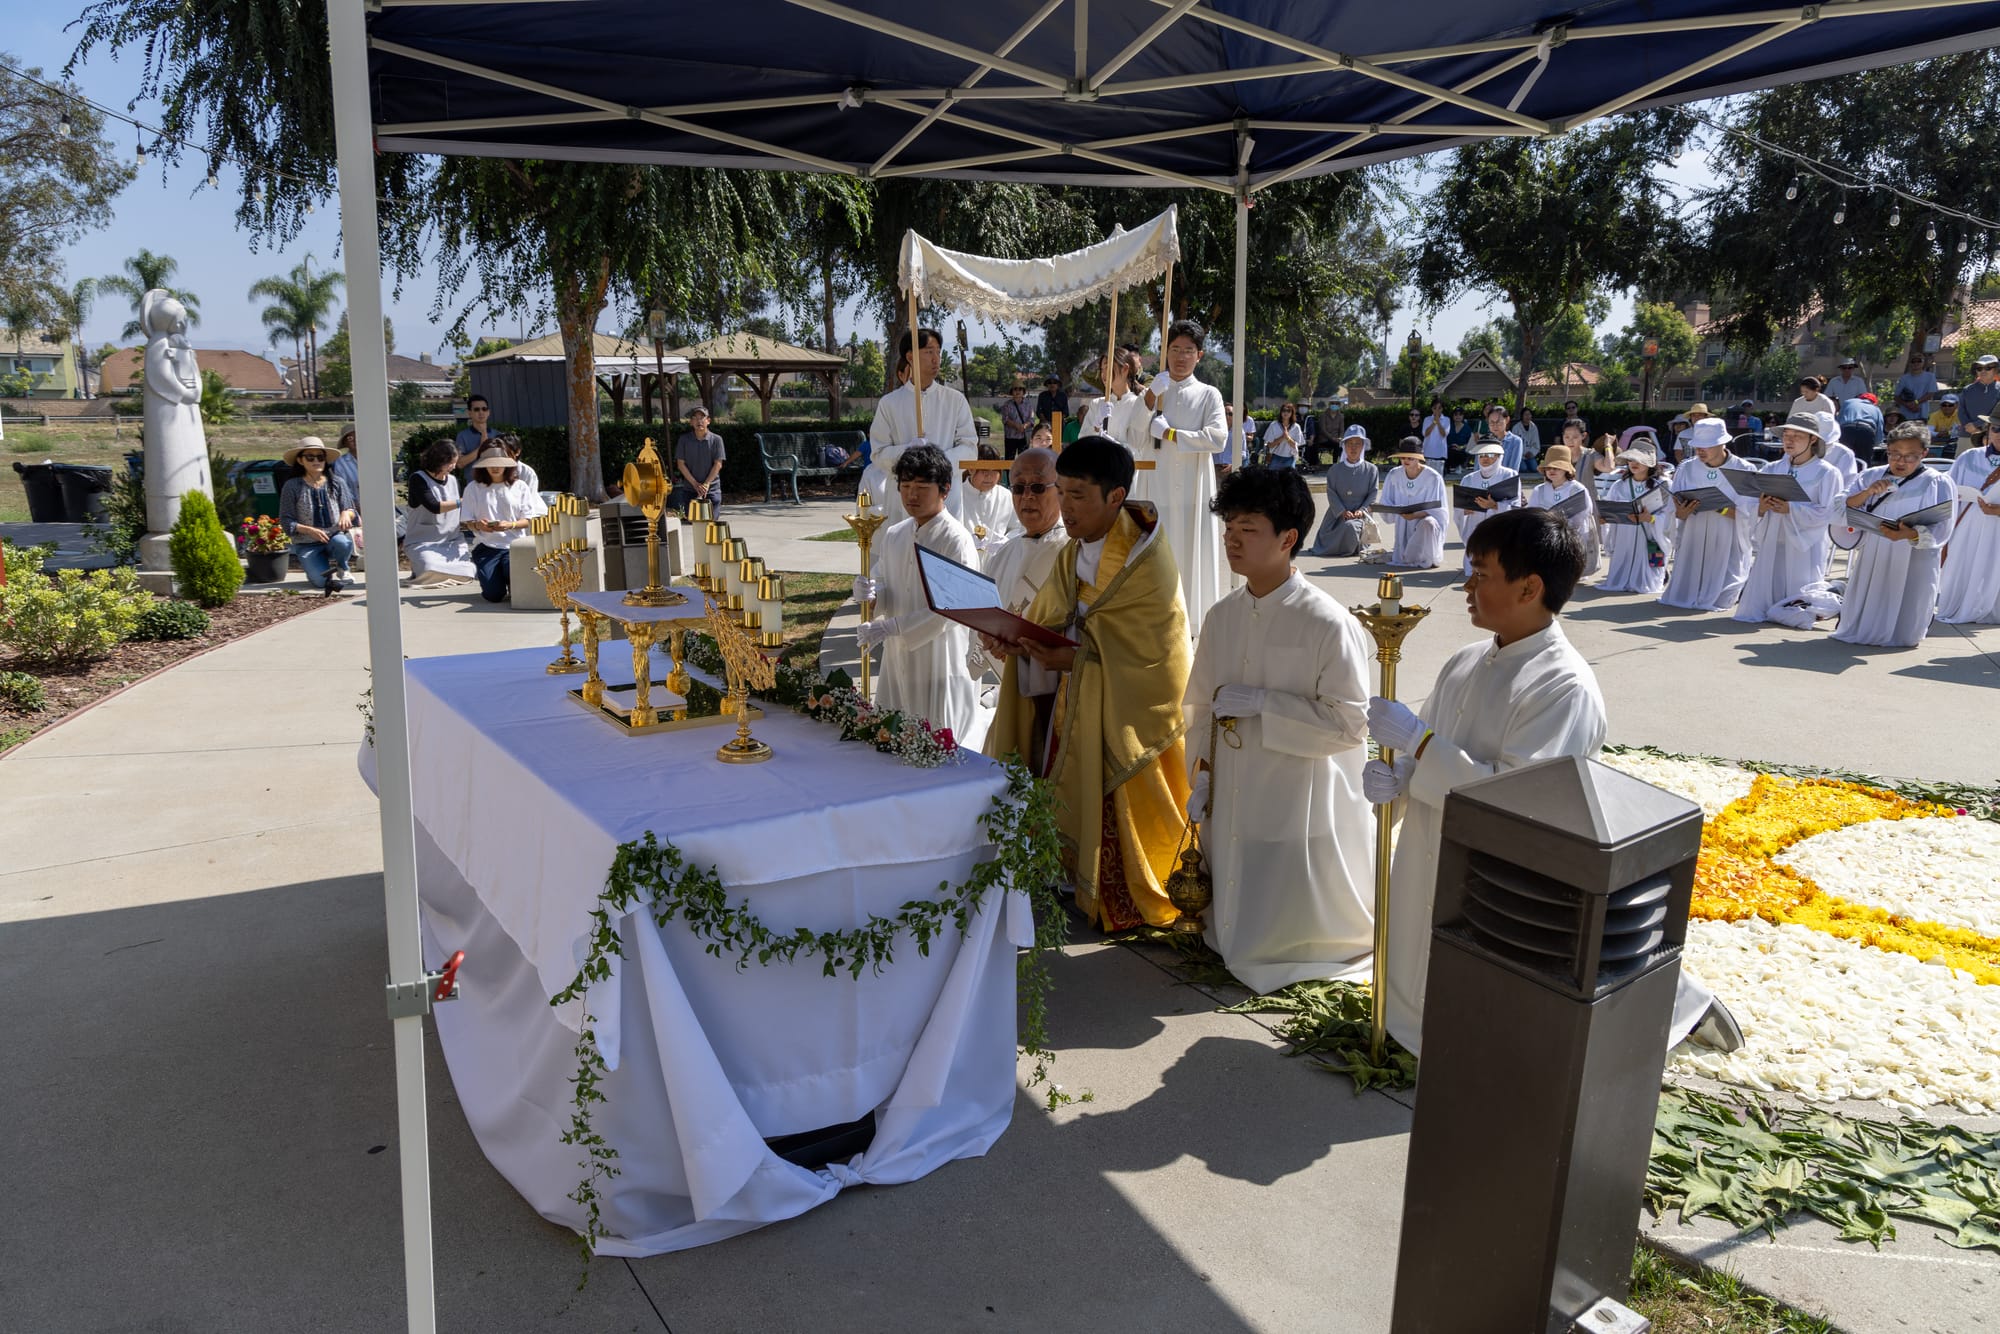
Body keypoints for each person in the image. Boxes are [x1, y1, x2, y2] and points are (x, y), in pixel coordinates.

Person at [1360, 507, 1734, 1056]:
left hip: (1502, 872)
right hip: (1431, 848)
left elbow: (1516, 801)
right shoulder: (1465, 661)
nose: (1467, 584)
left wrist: (1419, 745)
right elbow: (1432, 759)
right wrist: (1397, 781)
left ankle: (1678, 1001)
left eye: (1482, 573)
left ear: (1529, 586)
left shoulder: (1563, 685)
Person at [983, 436, 1193, 932]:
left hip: (1128, 710)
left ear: (1115, 497)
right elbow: (1052, 617)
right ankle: (1072, 876)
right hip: (1075, 699)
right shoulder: (1071, 553)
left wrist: (1074, 660)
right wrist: (1018, 642)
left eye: (1077, 495)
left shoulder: (1147, 561)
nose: (1066, 506)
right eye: (1064, 491)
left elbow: (1153, 655)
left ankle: (1120, 895)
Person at [1185, 466, 1374, 992]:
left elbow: (1351, 725)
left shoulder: (1327, 622)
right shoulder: (1223, 616)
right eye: (1229, 529)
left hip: (1297, 788)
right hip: (1234, 783)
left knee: (1288, 901)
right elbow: (1200, 706)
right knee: (1235, 893)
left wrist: (1267, 704)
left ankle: (1298, 945)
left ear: (1288, 539)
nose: (1232, 541)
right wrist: (1200, 775)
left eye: (1248, 530)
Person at [853, 444, 982, 742]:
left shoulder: (956, 540)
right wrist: (872, 594)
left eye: (922, 486)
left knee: (936, 739)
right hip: (897, 654)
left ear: (944, 489)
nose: (912, 495)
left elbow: (951, 609)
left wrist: (891, 626)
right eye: (906, 486)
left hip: (939, 658)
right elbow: (886, 581)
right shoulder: (895, 534)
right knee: (894, 735)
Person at [973, 445, 1070, 755]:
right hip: (1011, 694)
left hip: (1062, 701)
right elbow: (987, 617)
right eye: (1018, 487)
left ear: (1061, 490)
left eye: (1039, 487)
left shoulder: (1074, 552)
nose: (1027, 496)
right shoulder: (1002, 555)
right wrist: (989, 639)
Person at [1141, 318, 1231, 635]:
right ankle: (1155, 621)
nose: (1181, 356)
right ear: (1165, 352)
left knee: (1193, 555)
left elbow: (1217, 437)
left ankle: (1194, 625)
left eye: (1188, 350)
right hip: (1158, 486)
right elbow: (1134, 434)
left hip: (1194, 486)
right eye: (1175, 349)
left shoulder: (1209, 395)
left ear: (1199, 355)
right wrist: (1149, 399)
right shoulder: (1153, 393)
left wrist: (1172, 434)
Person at [1831, 424, 1954, 648]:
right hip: (1875, 547)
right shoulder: (1871, 475)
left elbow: (1943, 525)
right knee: (1873, 590)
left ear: (1924, 453)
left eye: (1910, 456)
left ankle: (1902, 633)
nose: (1901, 462)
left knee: (1907, 596)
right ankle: (1864, 627)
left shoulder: (1936, 481)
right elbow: (1842, 505)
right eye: (1894, 454)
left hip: (1913, 553)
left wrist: (1911, 534)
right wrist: (1868, 492)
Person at [1732, 415, 1845, 628]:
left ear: (1813, 439)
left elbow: (1828, 511)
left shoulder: (1827, 472)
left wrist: (1791, 508)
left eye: (1797, 436)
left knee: (1801, 579)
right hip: (1773, 532)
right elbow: (1749, 501)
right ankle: (1768, 608)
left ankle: (1798, 610)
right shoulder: (1772, 468)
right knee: (1768, 573)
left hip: (1804, 540)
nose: (1789, 440)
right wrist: (1762, 507)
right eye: (1786, 435)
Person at [863, 327, 978, 525]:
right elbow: (879, 453)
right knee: (905, 549)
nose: (936, 358)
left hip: (945, 498)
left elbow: (969, 448)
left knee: (943, 549)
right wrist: (907, 451)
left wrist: (937, 461)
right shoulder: (890, 403)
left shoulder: (954, 400)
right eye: (929, 351)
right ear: (910, 356)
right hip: (904, 500)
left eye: (938, 352)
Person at [1661, 418, 1760, 612]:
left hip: (1727, 536)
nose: (1700, 450)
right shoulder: (1686, 468)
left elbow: (1751, 513)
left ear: (1722, 443)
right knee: (1683, 592)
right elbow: (1674, 509)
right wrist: (1681, 512)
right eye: (1697, 446)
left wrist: (1719, 507)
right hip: (1694, 532)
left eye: (1706, 446)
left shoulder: (1744, 469)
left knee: (1721, 594)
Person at [461, 445, 546, 603]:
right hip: (486, 546)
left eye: (498, 463)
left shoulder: (520, 486)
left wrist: (511, 525)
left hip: (514, 546)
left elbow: (529, 519)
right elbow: (466, 521)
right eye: (490, 463)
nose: (494, 467)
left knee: (518, 589)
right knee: (493, 595)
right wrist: (478, 525)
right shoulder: (473, 488)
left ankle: (512, 580)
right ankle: (495, 579)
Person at [1938, 415, 2000, 624]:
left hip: (1997, 526)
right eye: (1996, 429)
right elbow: (1947, 489)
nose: (1999, 435)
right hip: (1967, 524)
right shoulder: (1969, 457)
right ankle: (1961, 604)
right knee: (1963, 565)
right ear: (1989, 430)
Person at [278, 436, 358, 596]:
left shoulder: (336, 482)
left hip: (334, 537)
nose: (316, 461)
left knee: (343, 542)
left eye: (320, 457)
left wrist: (345, 513)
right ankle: (324, 569)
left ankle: (343, 567)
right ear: (300, 461)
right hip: (307, 544)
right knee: (321, 582)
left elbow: (351, 509)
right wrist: (309, 530)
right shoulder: (292, 486)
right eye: (310, 457)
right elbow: (286, 521)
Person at [1598, 441, 1673, 595]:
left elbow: (1671, 515)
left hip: (1651, 535)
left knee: (1651, 568)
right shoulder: (1619, 485)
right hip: (1625, 534)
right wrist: (1606, 518)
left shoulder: (1664, 484)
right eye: (1631, 459)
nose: (1634, 463)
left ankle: (1659, 575)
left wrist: (1651, 519)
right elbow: (1611, 507)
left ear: (1650, 463)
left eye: (1639, 460)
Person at [404, 438, 474, 586]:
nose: (453, 466)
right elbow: (434, 506)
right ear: (438, 460)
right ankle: (420, 568)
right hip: (422, 541)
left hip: (451, 541)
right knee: (429, 567)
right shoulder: (418, 478)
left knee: (469, 571)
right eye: (450, 463)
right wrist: (462, 501)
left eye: (454, 462)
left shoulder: (453, 480)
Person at [1525, 444, 1600, 582]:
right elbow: (1532, 512)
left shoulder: (1578, 489)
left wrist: (1563, 524)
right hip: (1546, 534)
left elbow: (1584, 513)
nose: (1551, 470)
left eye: (1556, 467)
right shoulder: (1539, 490)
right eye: (1548, 468)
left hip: (1572, 534)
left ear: (1566, 469)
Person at [1306, 426, 1380, 558]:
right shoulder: (1334, 470)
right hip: (1336, 515)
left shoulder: (1371, 470)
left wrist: (1362, 510)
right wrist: (1342, 512)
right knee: (1333, 534)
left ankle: (1351, 547)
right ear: (1344, 446)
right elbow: (1331, 493)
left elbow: (1373, 494)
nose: (1353, 447)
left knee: (1351, 527)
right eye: (1350, 443)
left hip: (1360, 516)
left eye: (1357, 443)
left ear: (1363, 446)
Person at [1078, 347, 1151, 476]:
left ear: (1125, 369)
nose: (1103, 374)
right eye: (1102, 369)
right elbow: (1083, 443)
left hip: (1131, 476)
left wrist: (1117, 447)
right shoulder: (1097, 404)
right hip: (1101, 475)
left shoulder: (1139, 404)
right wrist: (1095, 426)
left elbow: (1142, 445)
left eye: (1108, 367)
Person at [1453, 440, 1519, 571]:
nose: (1485, 459)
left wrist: (1495, 506)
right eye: (1481, 455)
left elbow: (1515, 507)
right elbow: (1458, 508)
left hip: (1498, 527)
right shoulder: (1469, 478)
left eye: (1489, 455)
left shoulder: (1509, 475)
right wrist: (1464, 510)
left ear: (1498, 456)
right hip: (1475, 524)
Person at [1380, 442, 1446, 569]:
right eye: (1403, 457)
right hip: (1402, 519)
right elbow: (1387, 499)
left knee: (1429, 523)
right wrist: (1383, 508)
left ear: (1418, 458)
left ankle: (1424, 556)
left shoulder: (1433, 477)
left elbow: (1438, 510)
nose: (1406, 461)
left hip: (1423, 519)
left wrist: (1415, 515)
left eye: (1410, 458)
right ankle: (1403, 554)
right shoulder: (1394, 474)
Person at [949, 447, 1019, 563]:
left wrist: (1006, 541)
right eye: (984, 471)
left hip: (996, 561)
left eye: (994, 471)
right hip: (963, 559)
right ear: (971, 469)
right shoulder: (956, 494)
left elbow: (1018, 528)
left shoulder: (1005, 496)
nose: (989, 476)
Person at [672, 407, 725, 512]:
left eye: (702, 418)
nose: (699, 421)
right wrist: (695, 484)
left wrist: (705, 484)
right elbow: (680, 464)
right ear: (691, 422)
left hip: (712, 490)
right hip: (690, 490)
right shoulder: (684, 440)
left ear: (708, 421)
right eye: (695, 418)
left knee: (711, 524)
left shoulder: (717, 440)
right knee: (695, 524)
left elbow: (718, 464)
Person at [1957, 354, 2000, 452]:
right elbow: (1961, 411)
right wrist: (1968, 426)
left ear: (1996, 370)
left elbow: (1997, 414)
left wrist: (1976, 425)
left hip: (1992, 436)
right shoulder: (1967, 390)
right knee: (1963, 464)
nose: (1983, 371)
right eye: (1979, 368)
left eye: (1988, 368)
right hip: (1967, 435)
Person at [453, 394, 496, 469]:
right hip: (473, 480)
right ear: (469, 413)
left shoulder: (497, 434)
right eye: (476, 409)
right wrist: (481, 447)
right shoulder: (462, 436)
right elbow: (459, 464)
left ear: (488, 412)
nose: (481, 412)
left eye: (484, 409)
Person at [1479, 402, 1524, 472]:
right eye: (1491, 422)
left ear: (1507, 420)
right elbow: (1477, 468)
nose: (1495, 425)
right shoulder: (1483, 441)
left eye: (1498, 422)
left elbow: (1513, 470)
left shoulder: (1516, 441)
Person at [1263, 402, 1304, 470]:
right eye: (1284, 410)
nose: (1286, 413)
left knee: (1289, 480)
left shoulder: (1296, 427)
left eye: (1288, 411)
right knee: (1272, 479)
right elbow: (1270, 445)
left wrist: (1288, 438)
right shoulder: (1273, 425)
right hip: (1275, 457)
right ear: (1281, 412)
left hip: (1290, 459)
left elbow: (1296, 445)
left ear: (1292, 413)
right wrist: (1282, 437)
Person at [1000, 382, 1036, 458]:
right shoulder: (1006, 405)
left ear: (1023, 392)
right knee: (1009, 459)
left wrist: (1025, 426)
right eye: (1015, 389)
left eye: (1020, 389)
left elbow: (1032, 419)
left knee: (1024, 459)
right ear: (1012, 392)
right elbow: (1005, 419)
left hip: (1024, 437)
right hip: (1010, 437)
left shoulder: (1029, 405)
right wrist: (1016, 426)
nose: (1017, 391)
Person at [1420, 399, 1450, 469]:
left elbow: (1444, 434)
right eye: (1435, 408)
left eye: (1439, 408)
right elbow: (1425, 434)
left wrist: (1438, 422)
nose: (1437, 410)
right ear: (1432, 409)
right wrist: (1434, 422)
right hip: (1428, 451)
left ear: (1442, 409)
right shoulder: (1427, 419)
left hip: (1440, 452)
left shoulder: (1446, 419)